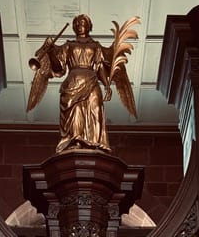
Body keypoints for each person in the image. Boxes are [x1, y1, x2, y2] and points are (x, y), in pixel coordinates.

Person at [27, 13, 138, 154]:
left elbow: (99, 66)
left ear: (89, 26)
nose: (80, 26)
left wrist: (107, 85)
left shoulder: (95, 46)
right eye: (78, 24)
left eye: (84, 23)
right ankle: (75, 140)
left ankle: (96, 143)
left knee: (96, 110)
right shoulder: (68, 45)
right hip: (72, 83)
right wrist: (50, 51)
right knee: (75, 111)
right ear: (74, 27)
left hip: (92, 81)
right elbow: (59, 68)